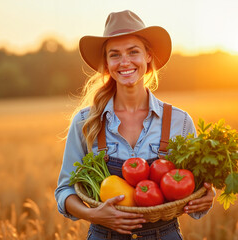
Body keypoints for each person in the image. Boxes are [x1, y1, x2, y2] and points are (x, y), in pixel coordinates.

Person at [55, 10, 215, 239]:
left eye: (133, 52)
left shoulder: (179, 121)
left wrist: (208, 197)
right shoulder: (85, 122)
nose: (125, 62)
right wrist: (94, 215)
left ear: (148, 56)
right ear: (107, 63)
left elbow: (198, 185)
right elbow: (65, 191)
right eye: (115, 55)